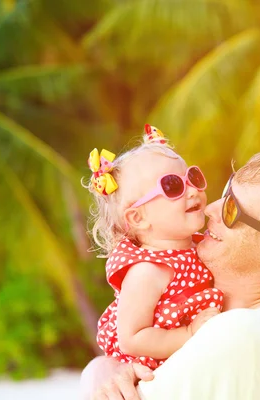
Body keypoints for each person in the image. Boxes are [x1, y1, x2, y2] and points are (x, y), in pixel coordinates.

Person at [80, 150, 260, 400]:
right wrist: (104, 367)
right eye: (226, 193)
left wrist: (98, 374)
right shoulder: (237, 327)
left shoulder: (240, 335)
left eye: (232, 210)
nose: (210, 208)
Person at [85, 124, 223, 372]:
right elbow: (132, 338)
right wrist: (189, 333)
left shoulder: (201, 245)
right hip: (152, 375)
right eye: (172, 186)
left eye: (192, 177)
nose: (193, 190)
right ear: (138, 218)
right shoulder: (147, 271)